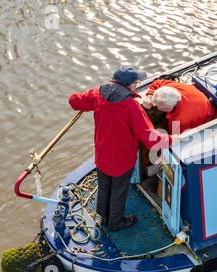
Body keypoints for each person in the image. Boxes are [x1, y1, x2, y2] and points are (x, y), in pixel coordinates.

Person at [69, 67, 171, 232]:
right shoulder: (132, 107)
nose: (137, 86)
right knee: (118, 191)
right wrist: (174, 139)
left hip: (102, 156)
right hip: (122, 161)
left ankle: (103, 215)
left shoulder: (97, 94)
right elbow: (151, 139)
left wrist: (78, 96)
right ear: (130, 86)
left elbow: (74, 101)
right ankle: (116, 222)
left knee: (104, 187)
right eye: (136, 83)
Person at [141, 80, 217, 134]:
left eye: (158, 106)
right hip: (200, 102)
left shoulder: (178, 121)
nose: (156, 107)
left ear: (169, 107)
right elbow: (157, 83)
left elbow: (175, 139)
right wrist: (149, 96)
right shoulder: (171, 87)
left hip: (209, 117)